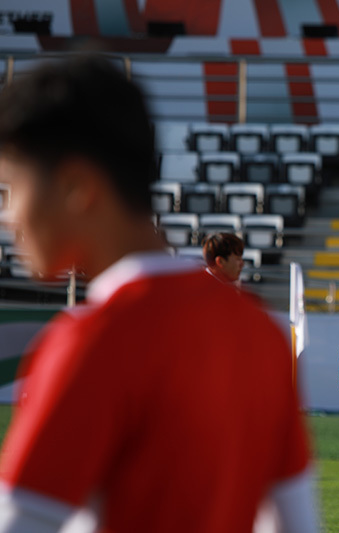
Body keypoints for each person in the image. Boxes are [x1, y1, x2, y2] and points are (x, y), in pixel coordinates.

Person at [0, 56, 316, 533]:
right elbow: (298, 521)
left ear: (76, 187)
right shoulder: (261, 330)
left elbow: (22, 522)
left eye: (10, 189)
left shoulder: (95, 338)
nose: (8, 217)